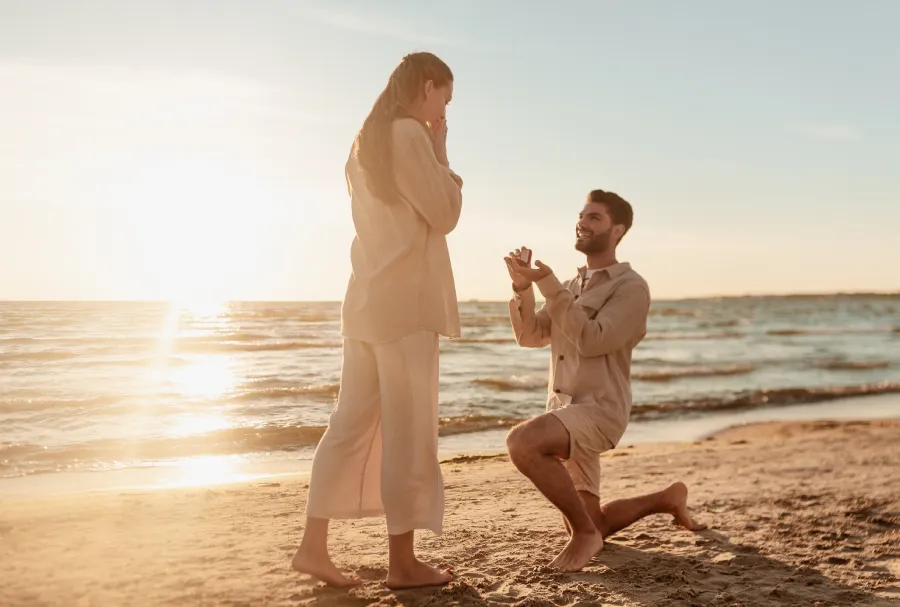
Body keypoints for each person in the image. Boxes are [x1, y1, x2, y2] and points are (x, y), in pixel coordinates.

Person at [291, 52, 463, 589]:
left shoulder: (362, 143)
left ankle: (313, 546)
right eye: (445, 99)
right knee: (408, 435)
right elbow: (447, 212)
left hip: (365, 300)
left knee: (347, 425)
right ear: (428, 87)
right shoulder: (410, 135)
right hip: (406, 305)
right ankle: (403, 564)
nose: (444, 110)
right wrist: (440, 148)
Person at [503, 189, 705, 572]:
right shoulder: (571, 286)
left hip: (599, 412)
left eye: (594, 217)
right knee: (596, 520)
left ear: (618, 230)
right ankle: (667, 498)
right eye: (581, 215)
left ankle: (585, 536)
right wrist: (522, 287)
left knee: (523, 442)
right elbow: (530, 335)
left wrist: (548, 284)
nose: (582, 222)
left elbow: (593, 341)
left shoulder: (631, 288)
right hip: (564, 410)